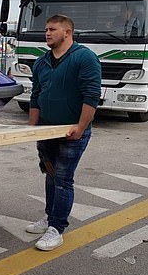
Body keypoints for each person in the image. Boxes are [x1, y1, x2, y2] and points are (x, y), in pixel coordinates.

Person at [26, 14, 101, 251]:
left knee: (63, 179)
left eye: (53, 29)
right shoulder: (41, 62)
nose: (47, 33)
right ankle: (49, 218)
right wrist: (32, 129)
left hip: (72, 131)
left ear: (68, 33)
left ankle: (57, 228)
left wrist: (80, 127)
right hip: (47, 130)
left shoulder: (84, 58)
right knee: (50, 175)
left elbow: (91, 95)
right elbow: (35, 95)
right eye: (46, 29)